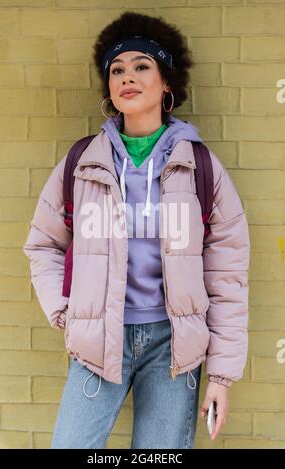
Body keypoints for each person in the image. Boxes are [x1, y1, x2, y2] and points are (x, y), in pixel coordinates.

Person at [23, 11, 250, 449]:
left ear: (167, 83)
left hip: (173, 348)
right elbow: (43, 245)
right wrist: (66, 314)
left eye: (142, 66)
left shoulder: (200, 167)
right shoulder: (83, 162)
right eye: (117, 70)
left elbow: (228, 277)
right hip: (97, 343)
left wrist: (221, 376)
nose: (128, 77)